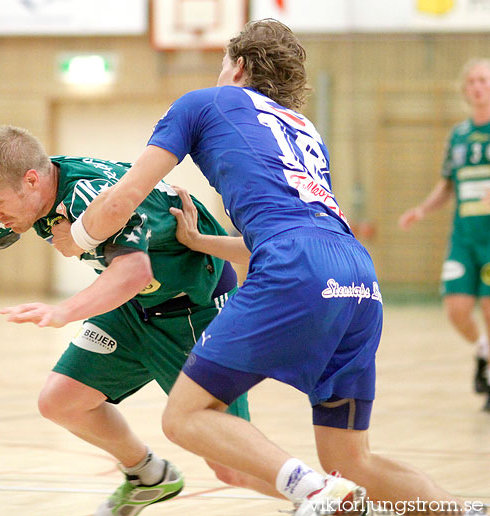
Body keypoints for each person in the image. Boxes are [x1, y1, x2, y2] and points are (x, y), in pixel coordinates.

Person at [50, 18, 472, 516]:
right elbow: (287, 230)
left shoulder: (203, 103)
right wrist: (199, 240)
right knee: (353, 462)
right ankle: (460, 511)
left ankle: (317, 494)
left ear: (239, 66)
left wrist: (77, 239)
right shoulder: (305, 130)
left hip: (295, 266)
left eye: (222, 63)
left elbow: (122, 200)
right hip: (357, 274)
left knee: (184, 417)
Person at [0, 125, 269, 516]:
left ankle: (326, 498)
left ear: (31, 180)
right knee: (60, 400)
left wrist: (63, 311)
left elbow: (135, 271)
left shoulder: (89, 195)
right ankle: (147, 475)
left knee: (233, 469)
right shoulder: (26, 197)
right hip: (130, 307)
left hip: (193, 313)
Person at [399, 58, 490, 413]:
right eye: (472, 81)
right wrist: (422, 209)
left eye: (484, 80)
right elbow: (447, 184)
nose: (478, 86)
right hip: (464, 238)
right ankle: (482, 350)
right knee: (456, 307)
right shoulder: (459, 136)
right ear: (465, 89)